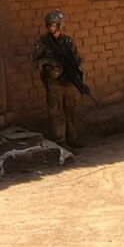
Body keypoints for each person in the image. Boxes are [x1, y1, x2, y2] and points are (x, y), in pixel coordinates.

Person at [33, 9, 83, 149]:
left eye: (54, 24)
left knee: (70, 110)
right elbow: (35, 62)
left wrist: (75, 70)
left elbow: (77, 58)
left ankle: (72, 138)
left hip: (68, 80)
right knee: (56, 112)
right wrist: (49, 64)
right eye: (49, 25)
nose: (51, 27)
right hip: (54, 82)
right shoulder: (43, 42)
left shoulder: (67, 41)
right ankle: (59, 140)